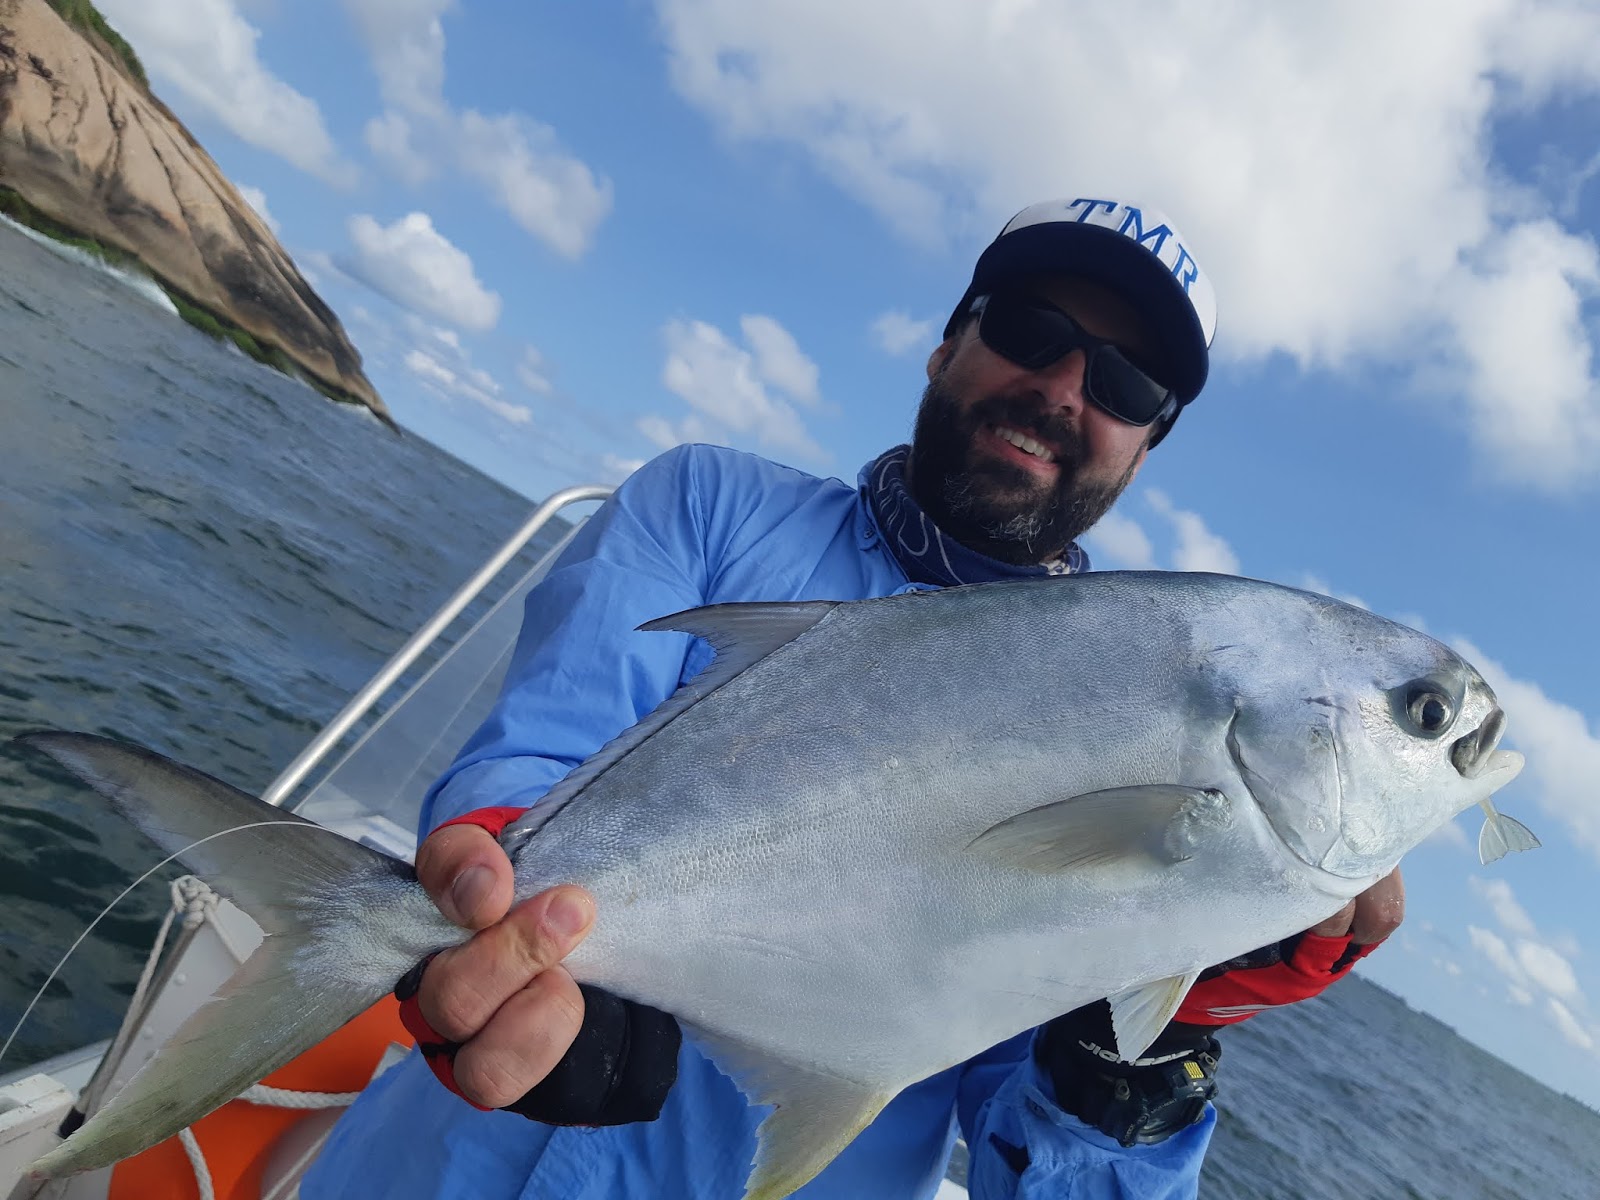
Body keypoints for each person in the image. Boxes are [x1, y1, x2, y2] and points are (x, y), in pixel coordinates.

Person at [303, 196, 1404, 1200]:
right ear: (948, 342)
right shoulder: (712, 506)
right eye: (1031, 330)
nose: (1065, 390)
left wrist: (1140, 1053)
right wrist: (490, 896)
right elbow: (538, 758)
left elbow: (1034, 1162)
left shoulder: (1155, 732)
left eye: (1126, 387)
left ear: (1143, 451)